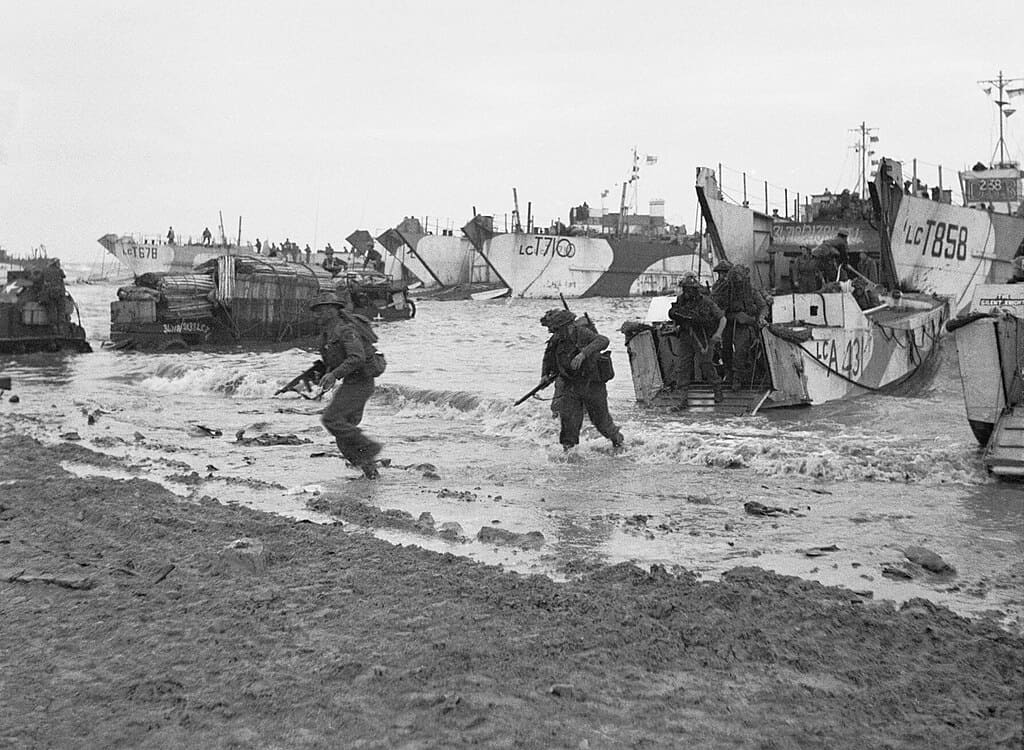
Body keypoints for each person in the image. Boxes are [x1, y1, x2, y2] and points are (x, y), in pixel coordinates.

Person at [311, 291, 383, 479]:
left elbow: (357, 357)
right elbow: (335, 358)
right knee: (343, 436)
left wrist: (334, 375)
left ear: (332, 311)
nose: (317, 315)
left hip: (361, 383)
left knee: (331, 420)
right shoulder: (327, 334)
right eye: (316, 311)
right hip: (352, 383)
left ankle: (370, 447)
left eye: (320, 311)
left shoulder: (346, 331)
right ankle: (371, 474)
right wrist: (324, 372)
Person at [539, 309, 623, 451]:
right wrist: (544, 375)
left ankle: (618, 443)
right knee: (568, 421)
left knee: (601, 422)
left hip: (592, 384)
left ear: (569, 326)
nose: (554, 333)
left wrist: (583, 354)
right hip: (570, 384)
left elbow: (603, 340)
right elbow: (548, 358)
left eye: (557, 329)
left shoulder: (582, 333)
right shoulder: (556, 338)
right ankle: (568, 454)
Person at [668, 275, 726, 407]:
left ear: (695, 289)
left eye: (690, 289)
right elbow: (674, 313)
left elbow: (722, 318)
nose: (687, 292)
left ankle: (717, 389)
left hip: (702, 336)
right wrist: (677, 321)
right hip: (686, 335)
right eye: (685, 289)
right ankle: (682, 397)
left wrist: (717, 334)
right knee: (684, 366)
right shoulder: (681, 300)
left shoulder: (706, 302)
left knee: (706, 364)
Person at [713, 264, 768, 391]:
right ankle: (729, 375)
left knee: (740, 351)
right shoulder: (726, 289)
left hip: (744, 326)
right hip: (728, 324)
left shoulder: (751, 290)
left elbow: (763, 306)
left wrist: (761, 318)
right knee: (725, 350)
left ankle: (737, 379)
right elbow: (717, 306)